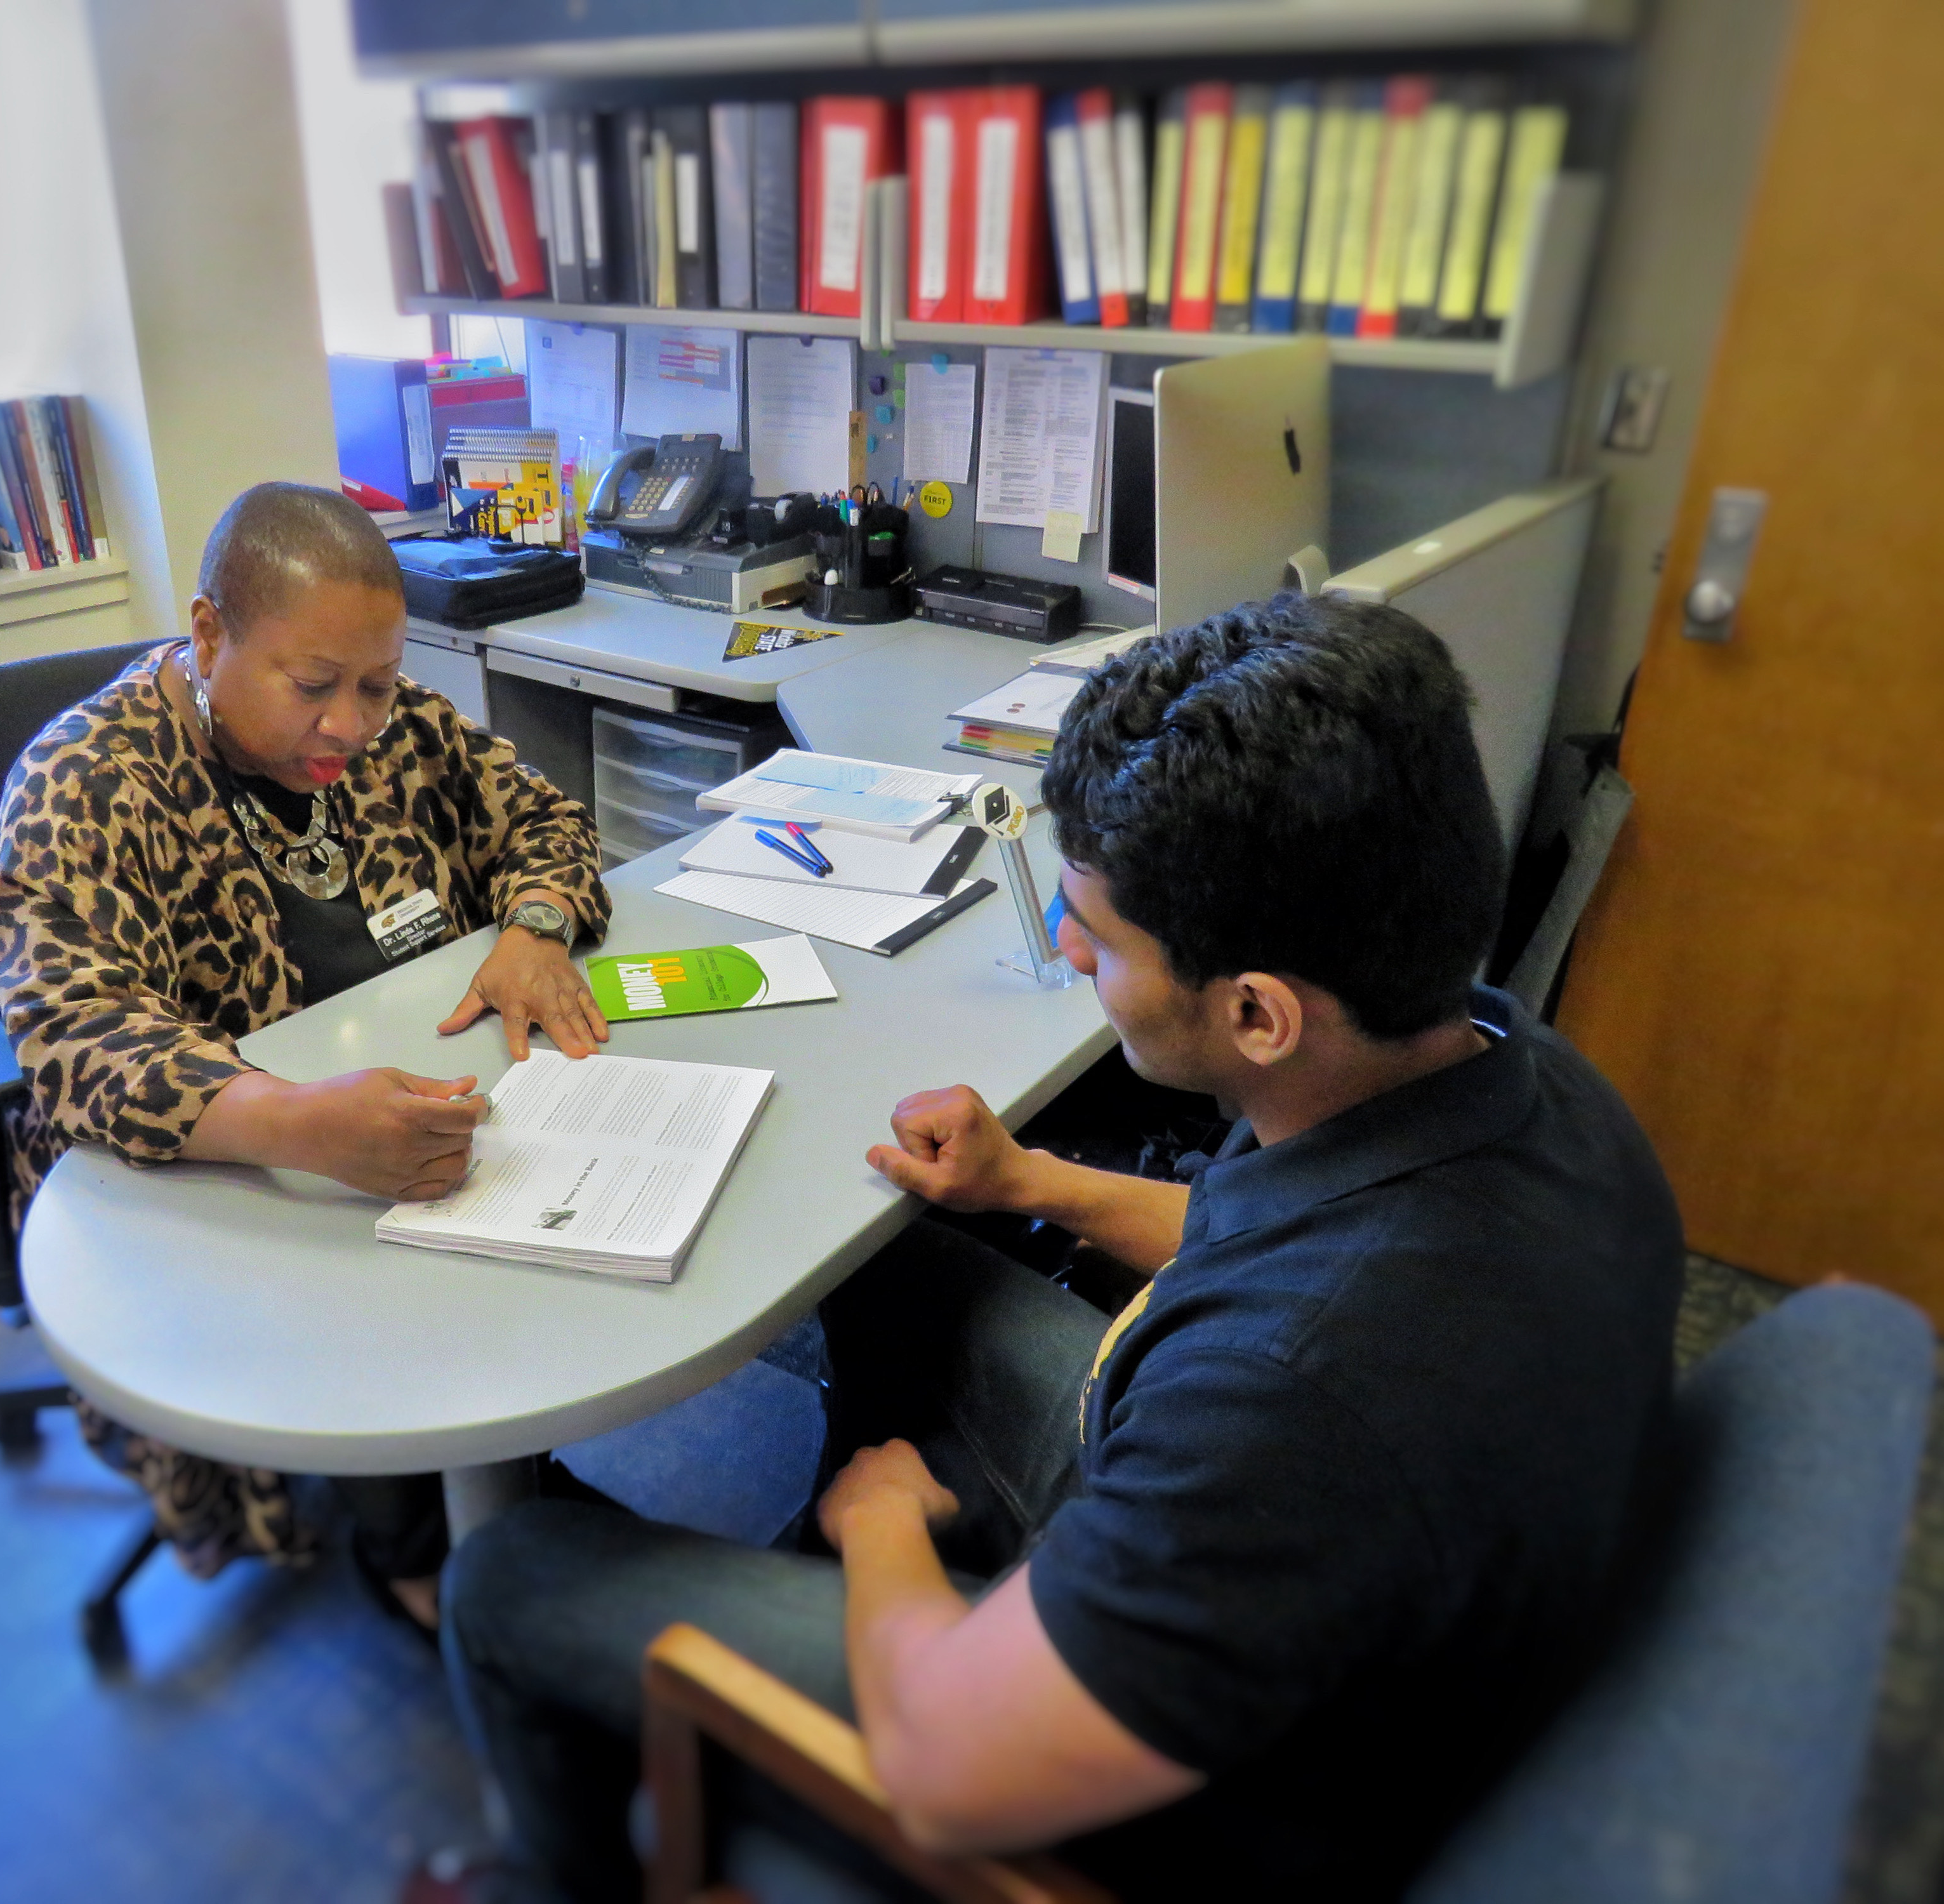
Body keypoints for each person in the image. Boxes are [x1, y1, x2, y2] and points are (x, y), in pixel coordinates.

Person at [440, 593, 1684, 1899]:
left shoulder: (1297, 1403)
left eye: (1098, 931)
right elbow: (1274, 1247)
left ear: (1257, 1013)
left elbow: (940, 1767)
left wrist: (880, 1531)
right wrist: (1028, 1180)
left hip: (1160, 1788)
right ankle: (866, 1586)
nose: (1060, 940)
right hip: (1269, 1570)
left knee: (510, 1576)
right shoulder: (1504, 1071)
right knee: (889, 1258)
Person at [0, 482, 611, 1622]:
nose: (353, 725)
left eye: (375, 682)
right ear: (211, 633)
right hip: (209, 1164)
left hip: (409, 1100)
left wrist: (535, 927)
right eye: (314, 686)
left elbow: (550, 822)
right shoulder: (84, 783)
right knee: (367, 1311)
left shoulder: (399, 726)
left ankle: (505, 1494)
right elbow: (74, 1036)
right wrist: (298, 1122)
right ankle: (422, 1553)